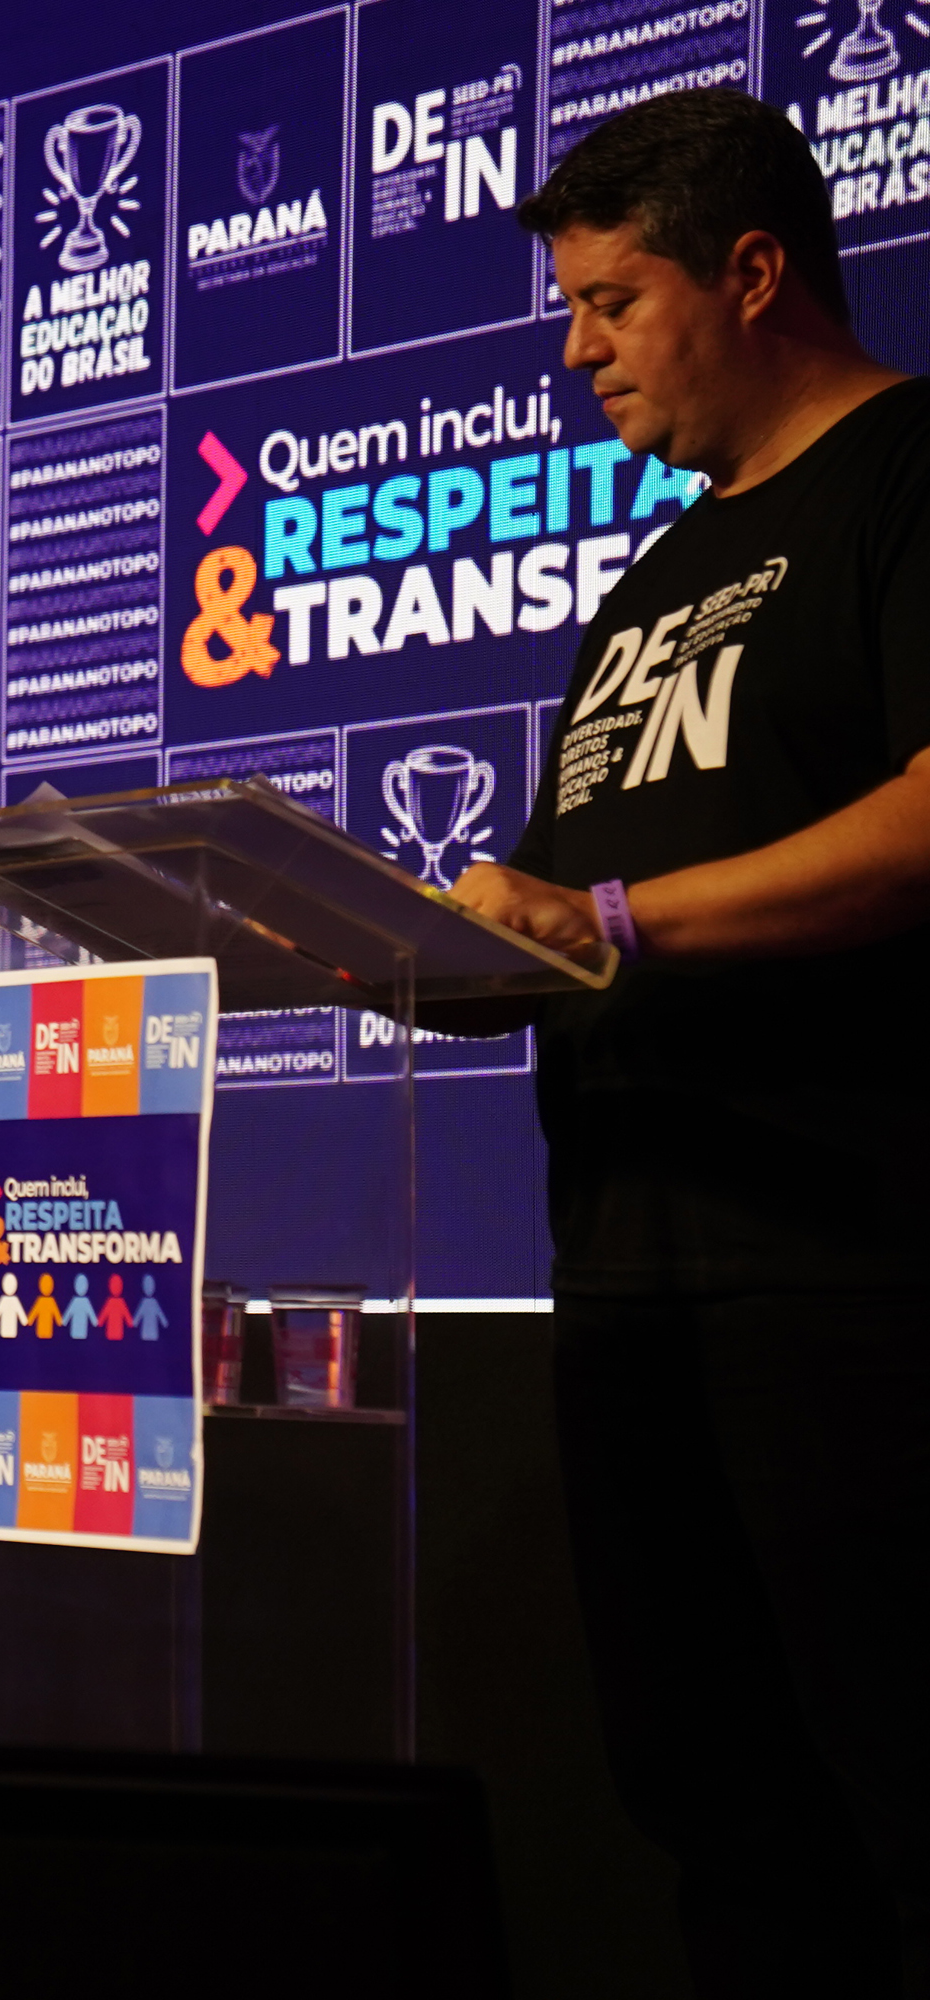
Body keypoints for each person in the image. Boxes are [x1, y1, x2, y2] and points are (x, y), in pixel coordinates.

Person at [445, 89, 928, 1994]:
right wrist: (418, 950)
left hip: (854, 1269)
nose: (576, 352)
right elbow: (565, 908)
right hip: (632, 1279)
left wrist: (620, 923)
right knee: (718, 1818)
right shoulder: (649, 583)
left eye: (612, 301)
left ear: (754, 272)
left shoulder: (907, 476)